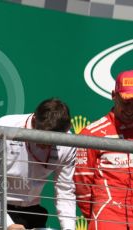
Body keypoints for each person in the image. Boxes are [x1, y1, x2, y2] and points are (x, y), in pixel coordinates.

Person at [0, 98, 76, 230]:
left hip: (33, 212)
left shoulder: (68, 141)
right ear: (33, 120)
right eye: (43, 139)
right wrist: (8, 224)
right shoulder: (4, 127)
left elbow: (64, 191)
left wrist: (69, 228)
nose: (46, 146)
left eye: (53, 142)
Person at [74, 70, 133, 230]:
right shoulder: (93, 133)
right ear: (114, 95)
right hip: (108, 217)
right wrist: (97, 217)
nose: (130, 109)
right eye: (126, 102)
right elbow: (82, 185)